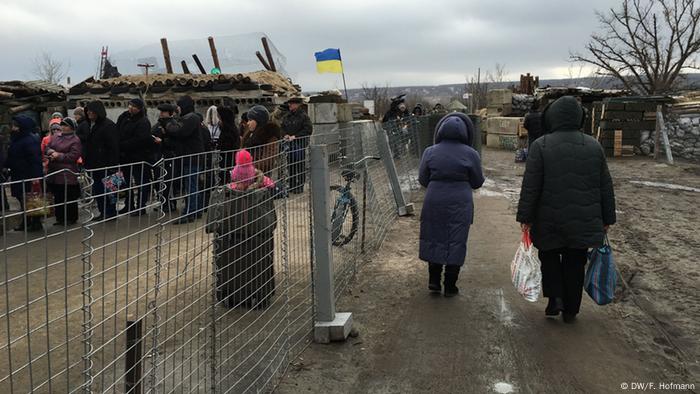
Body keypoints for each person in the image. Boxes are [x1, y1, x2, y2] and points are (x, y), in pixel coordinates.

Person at [516, 96, 616, 323]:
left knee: (549, 256)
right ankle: (571, 308)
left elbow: (531, 185)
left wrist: (526, 216)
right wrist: (608, 217)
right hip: (583, 218)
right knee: (576, 260)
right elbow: (605, 185)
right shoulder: (593, 146)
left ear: (551, 117)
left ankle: (555, 300)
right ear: (580, 117)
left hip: (548, 217)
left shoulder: (540, 145)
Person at [418, 113, 484, 297]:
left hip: (434, 198)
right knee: (456, 239)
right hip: (460, 200)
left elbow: (422, 179)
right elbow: (477, 182)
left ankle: (433, 281)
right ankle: (450, 285)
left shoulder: (430, 152)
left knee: (434, 236)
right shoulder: (471, 154)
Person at [3, 115, 43, 231]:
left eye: (16, 126)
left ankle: (35, 222)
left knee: (31, 199)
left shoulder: (30, 140)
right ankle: (26, 222)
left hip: (28, 175)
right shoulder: (17, 139)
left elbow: (35, 160)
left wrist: (36, 176)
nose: (13, 128)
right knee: (22, 199)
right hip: (18, 173)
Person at [169, 95, 204, 224]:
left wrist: (170, 123)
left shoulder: (191, 118)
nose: (177, 109)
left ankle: (190, 212)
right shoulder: (188, 118)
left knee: (191, 186)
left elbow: (180, 132)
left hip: (192, 158)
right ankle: (196, 210)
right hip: (190, 157)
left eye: (179, 106)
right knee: (192, 185)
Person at [83, 100, 120, 221]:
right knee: (98, 190)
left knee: (110, 190)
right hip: (94, 164)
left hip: (107, 165)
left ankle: (111, 212)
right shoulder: (90, 125)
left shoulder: (108, 125)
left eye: (91, 111)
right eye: (87, 111)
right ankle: (103, 211)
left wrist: (112, 164)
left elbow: (113, 146)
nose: (88, 113)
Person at [117, 98, 153, 216]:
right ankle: (129, 204)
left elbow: (140, 140)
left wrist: (123, 145)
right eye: (130, 105)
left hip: (139, 157)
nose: (131, 108)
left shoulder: (143, 122)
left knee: (141, 182)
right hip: (125, 157)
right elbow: (118, 130)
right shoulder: (125, 118)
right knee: (126, 183)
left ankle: (141, 206)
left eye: (134, 106)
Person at [46, 117, 82, 226]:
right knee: (58, 196)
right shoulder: (55, 137)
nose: (62, 127)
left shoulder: (75, 140)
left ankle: (71, 218)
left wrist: (59, 156)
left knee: (69, 196)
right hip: (55, 172)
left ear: (71, 127)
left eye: (65, 125)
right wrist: (51, 152)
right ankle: (60, 218)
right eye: (62, 125)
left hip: (68, 173)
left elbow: (73, 156)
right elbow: (47, 147)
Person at [151, 103, 180, 212]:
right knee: (159, 180)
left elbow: (175, 140)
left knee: (168, 181)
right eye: (161, 112)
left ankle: (170, 203)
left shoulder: (173, 124)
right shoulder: (160, 123)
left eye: (163, 112)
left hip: (169, 156)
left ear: (170, 113)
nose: (161, 114)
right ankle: (163, 202)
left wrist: (163, 141)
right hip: (160, 155)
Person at [281, 97, 313, 194]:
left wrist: (296, 136)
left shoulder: (304, 117)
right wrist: (284, 134)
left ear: (298, 104)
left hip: (300, 144)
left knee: (299, 165)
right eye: (289, 103)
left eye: (292, 103)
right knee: (290, 166)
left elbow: (308, 130)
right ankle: (292, 185)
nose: (290, 105)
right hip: (289, 145)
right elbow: (282, 127)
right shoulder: (287, 116)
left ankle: (299, 186)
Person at [242, 105, 280, 175]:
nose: (248, 123)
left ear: (258, 121)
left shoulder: (269, 135)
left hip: (260, 176)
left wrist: (247, 167)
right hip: (247, 174)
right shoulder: (251, 134)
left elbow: (268, 160)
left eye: (250, 120)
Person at [216, 105, 240, 183]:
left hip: (227, 163)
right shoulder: (229, 129)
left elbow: (226, 147)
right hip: (227, 162)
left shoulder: (228, 132)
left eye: (219, 117)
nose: (218, 120)